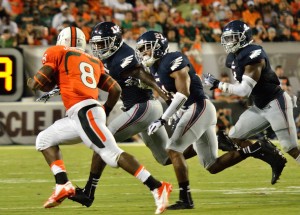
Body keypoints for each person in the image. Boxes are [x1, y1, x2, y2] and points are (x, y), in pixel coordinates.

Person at [27, 26, 172, 214]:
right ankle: (63, 184)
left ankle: (157, 186)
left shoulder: (57, 52)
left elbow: (38, 83)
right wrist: (105, 110)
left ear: (61, 40)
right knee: (44, 139)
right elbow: (115, 89)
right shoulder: (93, 60)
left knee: (111, 154)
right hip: (83, 113)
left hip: (84, 111)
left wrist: (31, 82)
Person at [135, 30, 287, 210]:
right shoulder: (154, 67)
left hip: (199, 107)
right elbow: (172, 93)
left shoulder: (173, 59)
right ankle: (256, 148)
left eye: (146, 48)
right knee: (212, 165)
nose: (143, 52)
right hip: (194, 110)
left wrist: (162, 118)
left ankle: (186, 199)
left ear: (158, 47)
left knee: (173, 150)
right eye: (141, 49)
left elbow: (183, 93)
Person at [63, 21, 175, 208]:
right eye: (96, 44)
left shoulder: (125, 55)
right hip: (143, 109)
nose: (98, 48)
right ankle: (204, 144)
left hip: (144, 107)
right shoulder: (108, 58)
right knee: (165, 157)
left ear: (113, 42)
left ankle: (89, 192)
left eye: (101, 44)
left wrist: (163, 93)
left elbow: (141, 73)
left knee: (104, 138)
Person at [204, 20, 299, 182]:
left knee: (290, 147)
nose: (228, 42)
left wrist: (218, 84)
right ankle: (272, 156)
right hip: (260, 106)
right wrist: (222, 85)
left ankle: (275, 154)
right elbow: (241, 84)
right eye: (227, 38)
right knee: (234, 138)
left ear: (243, 37)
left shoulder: (254, 55)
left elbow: (243, 90)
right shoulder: (233, 57)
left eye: (232, 38)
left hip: (276, 103)